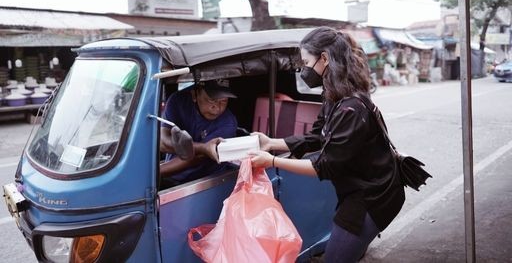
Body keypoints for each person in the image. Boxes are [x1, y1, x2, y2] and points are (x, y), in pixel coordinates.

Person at [249, 26, 405, 263]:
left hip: (374, 195)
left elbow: (324, 165)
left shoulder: (350, 108)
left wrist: (270, 161)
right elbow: (317, 137)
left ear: (324, 58)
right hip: (359, 189)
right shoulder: (334, 96)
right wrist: (271, 142)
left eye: (305, 62)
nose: (303, 70)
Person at [160, 79, 238, 185]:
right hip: (170, 172)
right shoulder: (177, 101)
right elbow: (163, 142)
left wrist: (156, 172)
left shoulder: (228, 124)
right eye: (212, 100)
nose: (218, 108)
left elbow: (194, 158)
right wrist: (203, 147)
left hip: (204, 182)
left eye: (223, 101)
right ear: (194, 94)